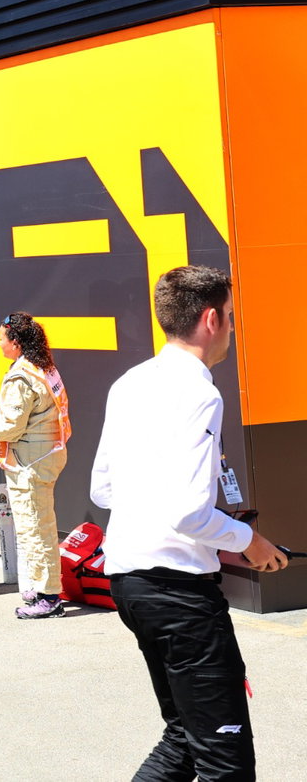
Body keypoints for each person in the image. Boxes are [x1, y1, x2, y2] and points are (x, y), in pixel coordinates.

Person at [91, 266, 287, 780]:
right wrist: (251, 541)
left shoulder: (130, 382)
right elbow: (187, 512)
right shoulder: (201, 393)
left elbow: (103, 489)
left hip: (132, 581)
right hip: (179, 594)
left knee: (183, 738)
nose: (232, 328)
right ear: (210, 318)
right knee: (225, 762)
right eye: (230, 317)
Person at [0, 311, 70, 618]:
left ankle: (49, 597)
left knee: (35, 528)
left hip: (30, 462)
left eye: (2, 339)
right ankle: (41, 586)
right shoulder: (43, 368)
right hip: (48, 453)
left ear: (17, 342)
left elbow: (9, 427)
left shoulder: (22, 375)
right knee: (40, 524)